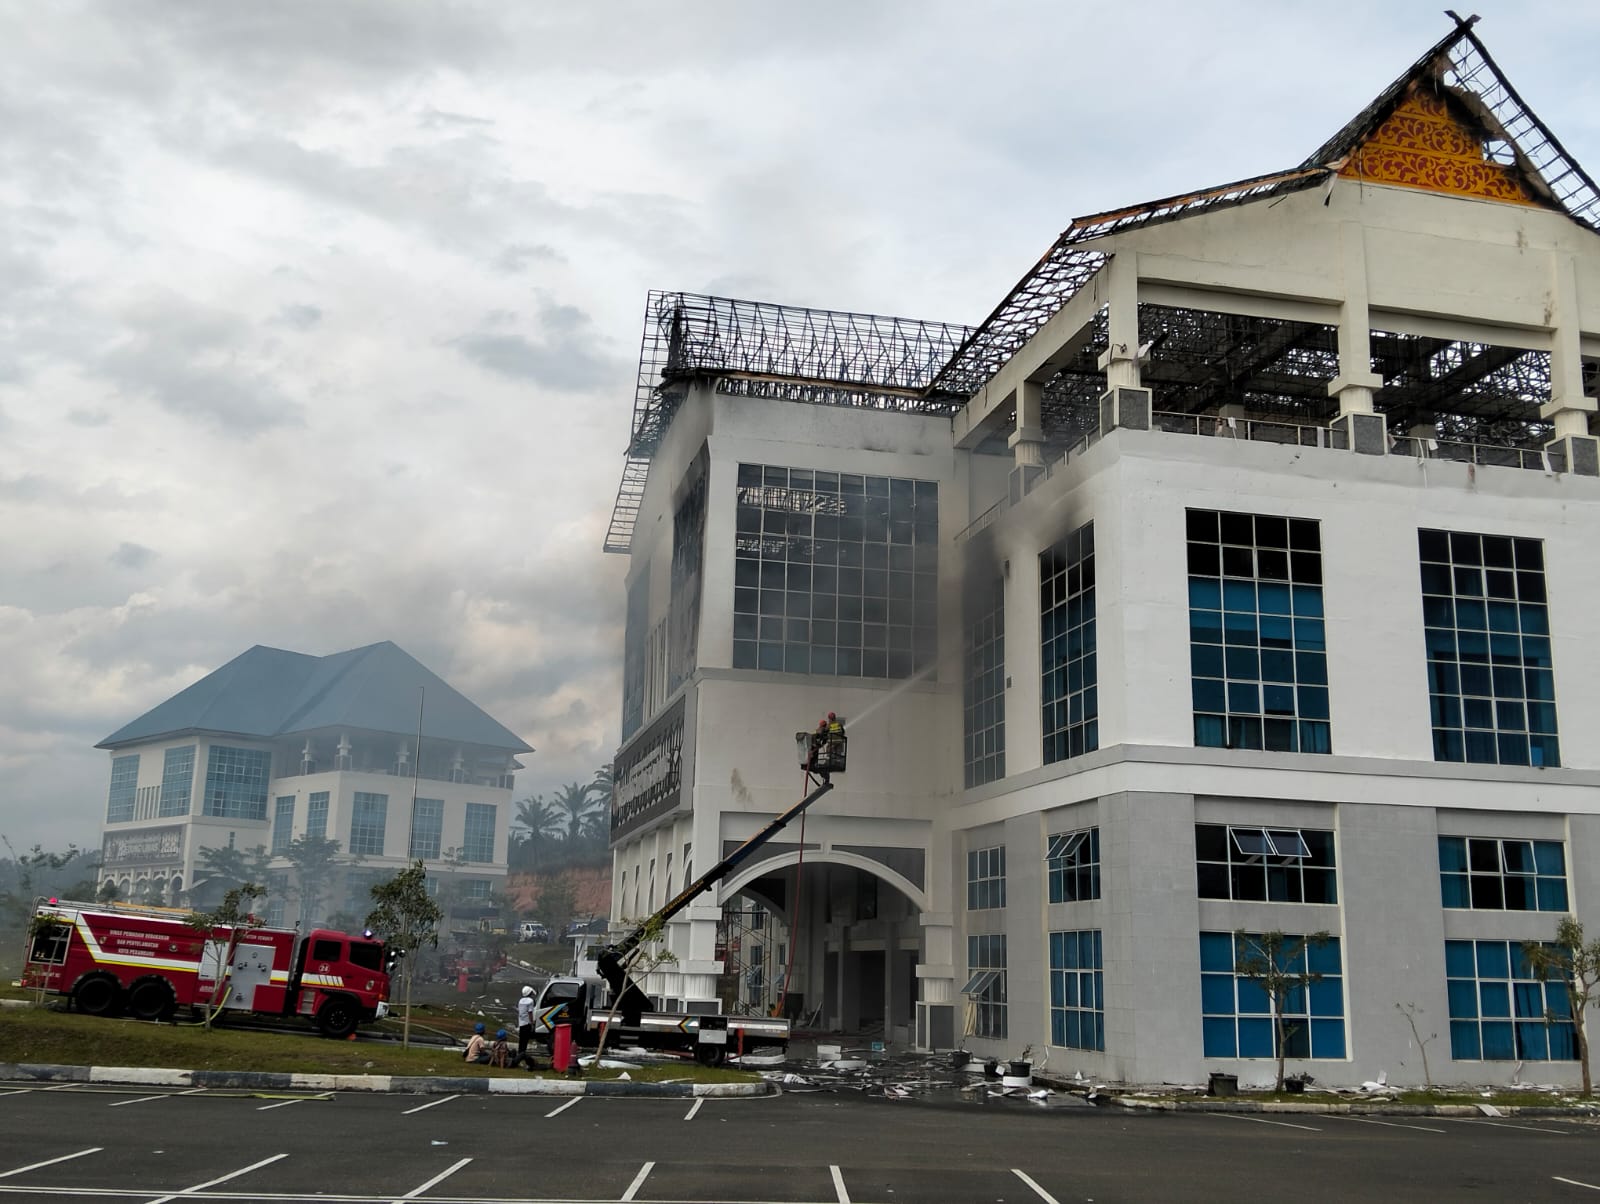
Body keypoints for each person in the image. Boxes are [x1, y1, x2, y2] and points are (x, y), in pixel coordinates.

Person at [517, 984, 536, 1067]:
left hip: (521, 1024)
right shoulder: (530, 1001)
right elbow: (530, 1012)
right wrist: (532, 1023)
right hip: (527, 1024)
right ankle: (522, 1059)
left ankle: (518, 1058)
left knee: (521, 1042)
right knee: (525, 1043)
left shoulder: (520, 1000)